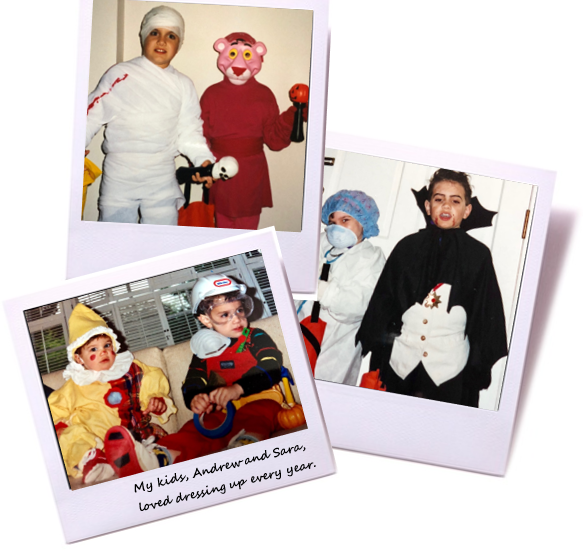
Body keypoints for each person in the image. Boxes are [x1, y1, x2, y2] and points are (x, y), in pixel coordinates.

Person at [356, 169, 508, 407]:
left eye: (455, 200)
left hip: (449, 369)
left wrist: (477, 369)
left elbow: (486, 317)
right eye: (439, 199)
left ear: (467, 210)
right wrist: (379, 360)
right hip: (401, 362)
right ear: (428, 206)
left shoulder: (478, 256)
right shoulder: (407, 247)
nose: (446, 205)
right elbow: (383, 305)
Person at [105, 275, 285, 476]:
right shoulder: (203, 351)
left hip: (263, 400)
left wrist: (237, 388)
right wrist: (196, 398)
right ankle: (157, 458)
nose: (237, 319)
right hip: (222, 413)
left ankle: (245, 448)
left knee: (258, 418)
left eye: (239, 310)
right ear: (206, 320)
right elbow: (193, 381)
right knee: (193, 428)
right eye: (225, 315)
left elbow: (272, 365)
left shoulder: (256, 337)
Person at [86, 5, 214, 225]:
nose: (162, 41)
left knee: (161, 243)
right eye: (155, 33)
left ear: (179, 44)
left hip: (161, 177)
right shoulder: (120, 74)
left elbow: (189, 132)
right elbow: (89, 116)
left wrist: (203, 161)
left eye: (171, 36)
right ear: (144, 36)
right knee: (115, 242)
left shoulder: (184, 85)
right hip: (120, 175)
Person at [48, 304, 177, 484]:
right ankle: (94, 461)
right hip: (96, 440)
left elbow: (153, 380)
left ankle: (137, 458)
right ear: (79, 358)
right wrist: (60, 427)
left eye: (107, 345)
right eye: (93, 349)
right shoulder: (75, 384)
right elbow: (55, 408)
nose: (103, 352)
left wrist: (155, 399)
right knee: (72, 437)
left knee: (169, 444)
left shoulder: (131, 369)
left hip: (136, 434)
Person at [200, 32, 302, 230]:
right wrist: (204, 166)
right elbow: (200, 135)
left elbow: (274, 140)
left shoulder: (264, 95)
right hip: (219, 168)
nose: (238, 66)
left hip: (251, 172)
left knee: (248, 232)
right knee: (221, 228)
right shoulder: (211, 94)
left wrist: (294, 114)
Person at [296, 190, 386, 385]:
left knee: (319, 397)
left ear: (364, 223)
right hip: (299, 333)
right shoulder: (321, 242)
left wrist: (320, 289)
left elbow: (358, 306)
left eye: (345, 220)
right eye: (333, 222)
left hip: (336, 344)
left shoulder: (371, 257)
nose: (337, 228)